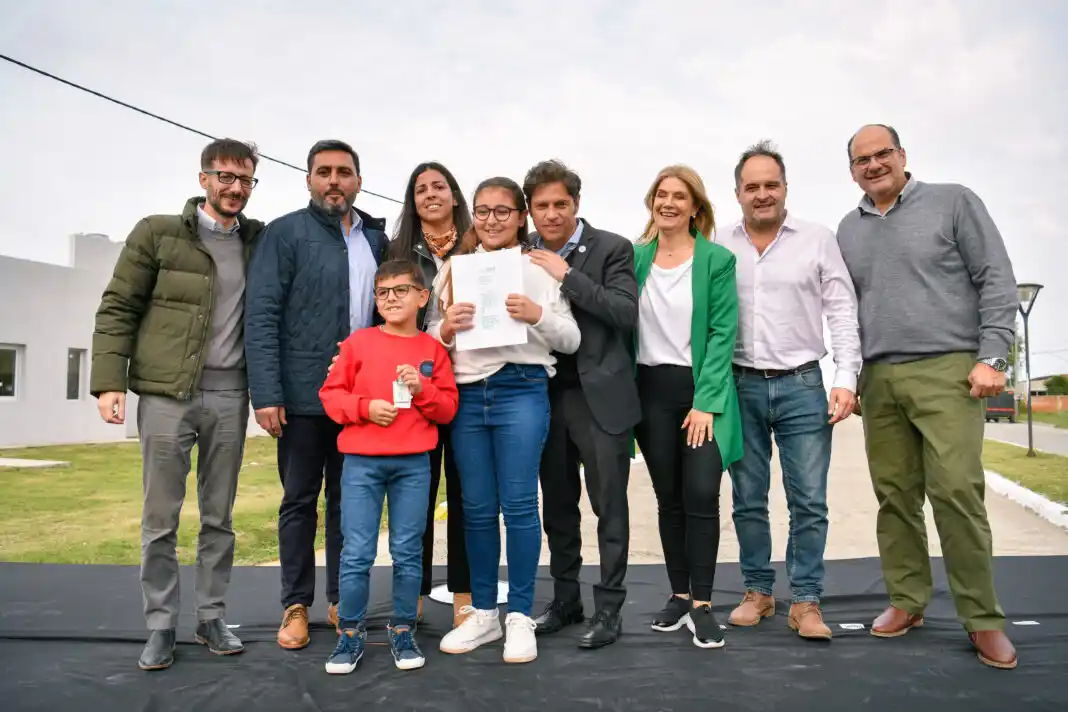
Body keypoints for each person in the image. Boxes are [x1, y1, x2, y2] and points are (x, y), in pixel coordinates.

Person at [837, 124, 1019, 669]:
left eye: (882, 154)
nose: (873, 165)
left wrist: (993, 357)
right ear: (852, 170)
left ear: (902, 155)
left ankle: (983, 618)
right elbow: (845, 309)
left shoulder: (953, 202)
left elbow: (996, 279)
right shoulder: (848, 229)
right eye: (861, 159)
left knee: (957, 492)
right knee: (895, 497)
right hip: (881, 379)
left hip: (950, 370)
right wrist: (852, 375)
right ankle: (908, 600)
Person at [89, 138, 264, 671]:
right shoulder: (157, 233)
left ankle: (212, 617)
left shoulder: (261, 242)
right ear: (203, 179)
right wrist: (108, 382)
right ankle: (160, 626)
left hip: (231, 395)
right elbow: (118, 305)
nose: (235, 188)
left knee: (219, 517)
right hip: (167, 394)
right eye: (224, 177)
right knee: (160, 517)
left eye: (245, 180)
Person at [245, 139, 390, 650]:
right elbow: (261, 315)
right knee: (300, 502)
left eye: (344, 172)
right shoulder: (284, 234)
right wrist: (266, 392)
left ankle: (340, 599)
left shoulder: (375, 240)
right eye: (324, 172)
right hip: (303, 397)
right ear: (308, 179)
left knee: (349, 505)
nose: (334, 181)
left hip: (359, 400)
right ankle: (296, 605)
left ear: (358, 180)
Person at [430, 177, 581, 664]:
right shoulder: (455, 269)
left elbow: (571, 340)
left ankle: (519, 615)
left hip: (522, 389)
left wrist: (537, 314)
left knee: (518, 504)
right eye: (482, 211)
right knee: (474, 508)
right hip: (469, 396)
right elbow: (431, 338)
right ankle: (484, 613)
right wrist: (447, 328)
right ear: (471, 216)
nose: (491, 220)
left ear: (521, 217)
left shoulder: (538, 268)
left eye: (502, 211)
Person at [719, 141, 862, 639]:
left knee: (809, 501)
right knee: (747, 499)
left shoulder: (818, 239)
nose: (762, 194)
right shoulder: (718, 243)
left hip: (803, 385)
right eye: (751, 186)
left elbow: (842, 311)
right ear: (737, 193)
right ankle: (758, 591)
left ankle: (805, 601)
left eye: (770, 185)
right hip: (740, 387)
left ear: (785, 188)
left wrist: (846, 378)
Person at [318, 259, 459, 674]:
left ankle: (402, 628)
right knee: (357, 551)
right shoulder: (358, 344)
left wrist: (422, 389)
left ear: (422, 296)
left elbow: (448, 408)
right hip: (362, 463)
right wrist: (364, 407)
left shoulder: (432, 350)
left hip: (414, 463)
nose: (392, 298)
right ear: (375, 300)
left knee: (407, 551)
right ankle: (350, 632)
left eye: (401, 290)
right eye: (383, 292)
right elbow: (331, 396)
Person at [522, 160, 640, 649]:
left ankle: (608, 609)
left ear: (576, 204)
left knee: (608, 506)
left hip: (600, 398)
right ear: (529, 209)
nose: (551, 214)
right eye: (541, 206)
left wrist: (566, 273)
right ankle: (566, 600)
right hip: (544, 395)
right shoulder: (520, 253)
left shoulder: (613, 248)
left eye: (560, 204)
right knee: (558, 508)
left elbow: (625, 313)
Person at [632, 165, 742, 650]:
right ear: (652, 202)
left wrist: (705, 404)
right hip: (649, 393)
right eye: (662, 194)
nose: (669, 202)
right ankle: (678, 595)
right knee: (668, 498)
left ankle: (703, 604)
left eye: (679, 196)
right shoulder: (634, 259)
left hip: (700, 392)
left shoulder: (717, 260)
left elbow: (722, 335)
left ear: (696, 206)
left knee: (701, 493)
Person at [387, 162, 473, 627]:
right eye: (420, 189)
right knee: (414, 495)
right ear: (412, 200)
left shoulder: (480, 246)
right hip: (415, 384)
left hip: (472, 383)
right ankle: (412, 593)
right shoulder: (398, 250)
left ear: (455, 196)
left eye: (439, 186)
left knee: (464, 494)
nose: (430, 194)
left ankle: (464, 593)